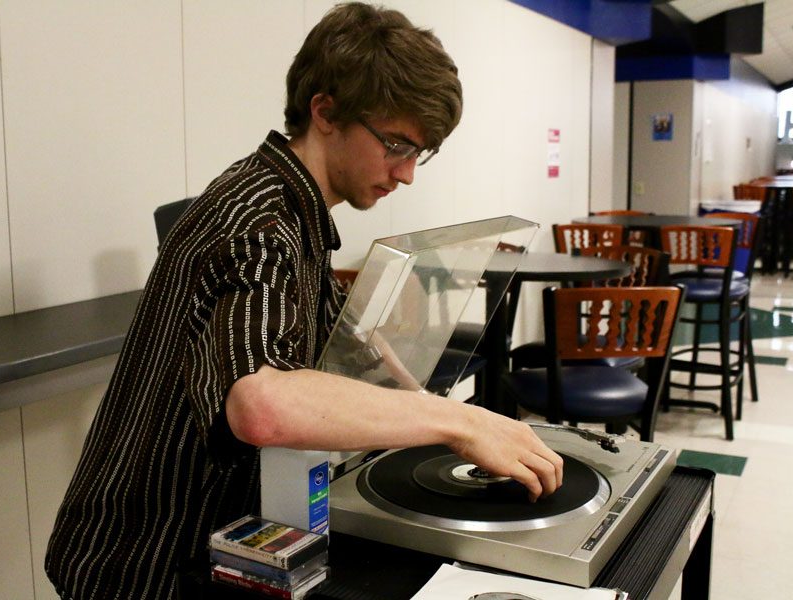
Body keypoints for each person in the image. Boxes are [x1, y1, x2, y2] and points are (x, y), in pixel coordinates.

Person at [45, 3, 563, 599]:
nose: (407, 173)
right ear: (325, 111)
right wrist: (461, 421)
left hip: (193, 542)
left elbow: (305, 361)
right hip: (144, 561)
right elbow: (261, 403)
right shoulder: (261, 221)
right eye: (396, 143)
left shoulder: (292, 210)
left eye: (420, 152)